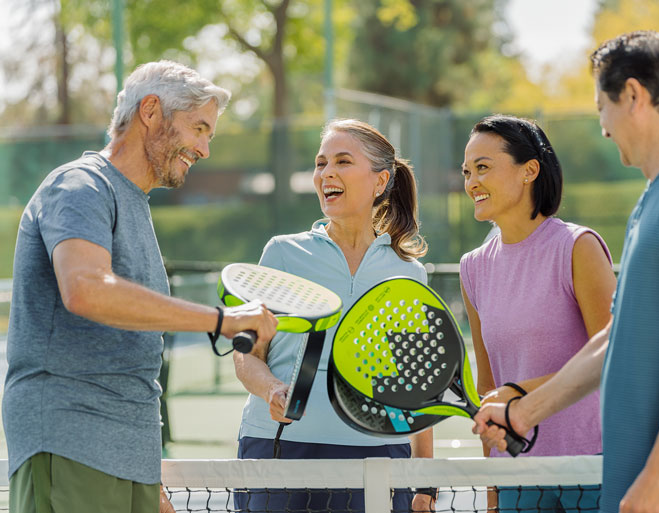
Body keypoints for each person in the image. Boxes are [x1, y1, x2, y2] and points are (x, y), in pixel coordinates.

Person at [474, 31, 659, 513]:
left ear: (632, 95)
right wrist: (523, 413)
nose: (602, 126)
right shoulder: (658, 198)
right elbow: (614, 339)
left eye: (602, 106)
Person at [3, 60, 278, 513]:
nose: (205, 149)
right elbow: (87, 289)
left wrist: (147, 484)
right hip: (70, 442)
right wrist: (221, 320)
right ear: (151, 110)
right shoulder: (80, 186)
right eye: (199, 128)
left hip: (126, 460)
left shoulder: (132, 203)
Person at [232, 118, 436, 512]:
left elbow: (416, 388)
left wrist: (424, 480)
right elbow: (247, 354)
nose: (327, 173)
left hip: (377, 458)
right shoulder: (282, 253)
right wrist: (272, 389)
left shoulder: (409, 272)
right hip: (278, 449)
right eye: (321, 163)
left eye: (343, 161)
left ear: (380, 182)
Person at [460, 115, 616, 511]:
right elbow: (488, 387)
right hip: (516, 475)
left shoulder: (578, 247)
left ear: (529, 170)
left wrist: (520, 393)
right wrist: (493, 486)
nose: (471, 182)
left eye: (483, 168)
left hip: (592, 468)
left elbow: (616, 358)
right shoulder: (472, 268)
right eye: (466, 172)